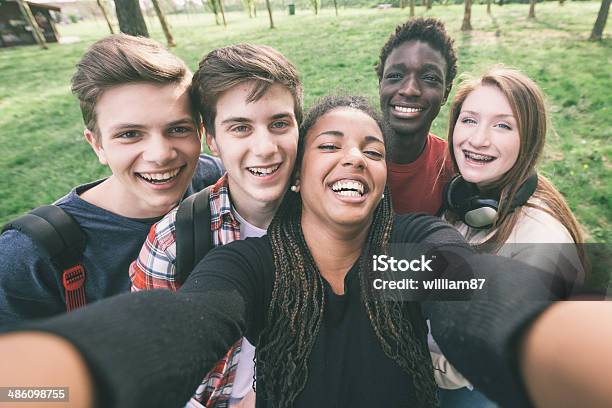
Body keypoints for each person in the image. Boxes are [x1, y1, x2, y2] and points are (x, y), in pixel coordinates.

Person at [0, 96, 576, 407]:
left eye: (372, 152)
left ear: (381, 181)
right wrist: (65, 374)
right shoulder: (251, 266)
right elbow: (191, 317)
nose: (354, 158)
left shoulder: (409, 245)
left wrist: (548, 337)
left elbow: (470, 285)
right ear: (299, 176)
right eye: (330, 145)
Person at [0, 34, 223, 325]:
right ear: (97, 145)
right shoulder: (28, 257)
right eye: (130, 134)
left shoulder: (214, 178)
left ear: (200, 131)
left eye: (178, 129)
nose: (160, 155)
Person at [129, 43, 302, 408]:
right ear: (212, 140)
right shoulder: (173, 242)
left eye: (280, 123)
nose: (266, 147)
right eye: (240, 127)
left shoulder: (329, 217)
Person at [432, 66, 588, 406]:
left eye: (503, 125)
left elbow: (486, 355)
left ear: (528, 140)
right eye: (469, 120)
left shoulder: (543, 240)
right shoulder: (464, 200)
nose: (478, 139)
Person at [376, 17, 457, 215]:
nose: (410, 90)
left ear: (446, 92)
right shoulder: (346, 157)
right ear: (380, 84)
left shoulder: (453, 167)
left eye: (430, 78)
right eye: (395, 76)